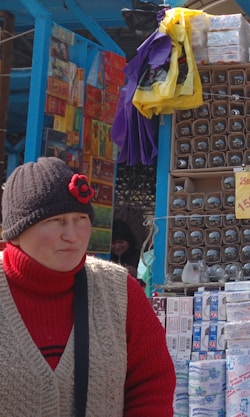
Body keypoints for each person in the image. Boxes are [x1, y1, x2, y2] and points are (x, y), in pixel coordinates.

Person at [0, 156, 175, 416]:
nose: (72, 235)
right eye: (55, 221)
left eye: (80, 218)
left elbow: (152, 384)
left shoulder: (119, 291)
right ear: (17, 231)